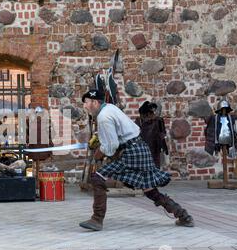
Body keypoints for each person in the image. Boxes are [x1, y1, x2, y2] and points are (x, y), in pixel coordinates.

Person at [79, 89, 194, 231]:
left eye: (86, 103)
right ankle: (184, 216)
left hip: (131, 152)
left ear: (95, 102)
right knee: (149, 188)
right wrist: (101, 140)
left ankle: (97, 219)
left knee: (97, 178)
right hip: (140, 148)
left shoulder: (103, 117)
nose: (84, 106)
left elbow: (111, 146)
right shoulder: (110, 108)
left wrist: (99, 152)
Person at [135, 101, 168, 168]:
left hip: (154, 148)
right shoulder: (139, 121)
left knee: (154, 166)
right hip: (144, 148)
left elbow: (162, 135)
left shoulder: (158, 120)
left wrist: (164, 147)